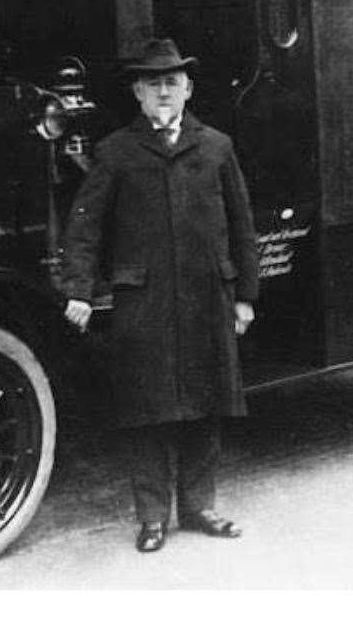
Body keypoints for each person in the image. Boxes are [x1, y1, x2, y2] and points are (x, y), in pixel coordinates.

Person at [62, 38, 259, 553]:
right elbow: (85, 228)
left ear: (189, 88)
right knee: (146, 410)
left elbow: (242, 226)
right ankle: (152, 517)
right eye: (154, 84)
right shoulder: (115, 152)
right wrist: (79, 290)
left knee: (205, 403)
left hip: (205, 296)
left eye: (172, 82)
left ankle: (199, 509)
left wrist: (245, 296)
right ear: (138, 94)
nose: (164, 92)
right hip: (143, 301)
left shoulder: (217, 147)